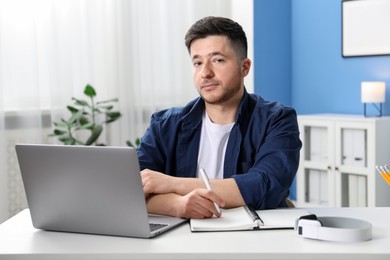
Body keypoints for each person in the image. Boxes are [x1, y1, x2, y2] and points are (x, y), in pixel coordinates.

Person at [137, 16, 302, 219]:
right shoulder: (165, 125)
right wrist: (178, 205)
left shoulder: (277, 120)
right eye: (197, 62)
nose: (205, 73)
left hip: (255, 237)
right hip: (182, 239)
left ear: (245, 67)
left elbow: (264, 186)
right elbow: (130, 189)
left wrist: (173, 183)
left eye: (218, 60)